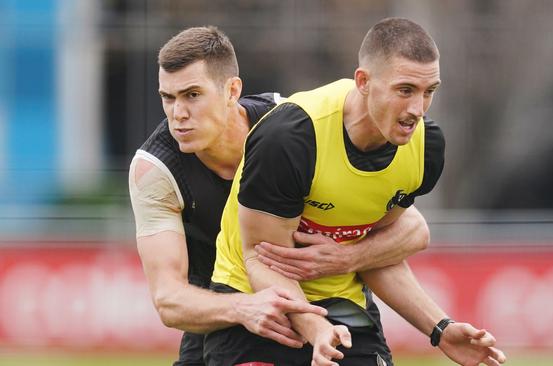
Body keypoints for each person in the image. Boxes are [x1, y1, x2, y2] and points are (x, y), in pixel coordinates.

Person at [205, 17, 507, 366]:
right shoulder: (290, 138)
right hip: (256, 307)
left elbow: (375, 254)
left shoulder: (425, 149)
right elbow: (260, 259)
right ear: (363, 81)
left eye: (429, 92)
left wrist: (440, 328)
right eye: (405, 90)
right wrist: (314, 327)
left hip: (344, 312)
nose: (417, 110)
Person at [128, 26, 432, 365]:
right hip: (223, 305)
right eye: (168, 98)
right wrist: (244, 308)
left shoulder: (287, 127)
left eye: (192, 95)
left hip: (315, 295)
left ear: (232, 90)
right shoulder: (155, 170)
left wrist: (348, 258)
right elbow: (168, 299)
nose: (177, 114)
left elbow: (413, 229)